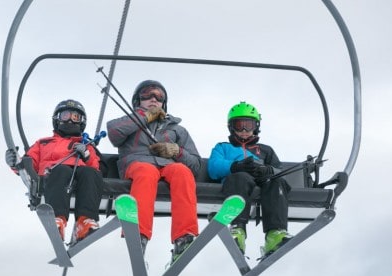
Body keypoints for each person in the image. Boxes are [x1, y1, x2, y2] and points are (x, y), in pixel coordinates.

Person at [107, 80, 200, 262]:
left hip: (168, 166)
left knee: (182, 172)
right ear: (137, 100)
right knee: (146, 172)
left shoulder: (176, 129)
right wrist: (145, 117)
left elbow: (196, 165)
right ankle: (139, 235)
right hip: (138, 163)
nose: (153, 99)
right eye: (147, 95)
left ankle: (184, 236)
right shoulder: (129, 122)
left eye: (159, 97)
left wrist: (176, 151)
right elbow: (114, 133)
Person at [5, 99, 104, 242]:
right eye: (65, 115)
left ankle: (84, 222)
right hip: (54, 177)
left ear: (81, 121)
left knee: (90, 173)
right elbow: (27, 164)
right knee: (61, 170)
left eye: (75, 117)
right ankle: (58, 219)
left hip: (80, 177)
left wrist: (86, 155)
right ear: (57, 119)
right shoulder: (43, 143)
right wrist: (15, 162)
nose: (70, 120)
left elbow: (96, 169)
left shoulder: (86, 145)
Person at [207, 101, 292, 257]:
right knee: (241, 177)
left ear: (256, 126)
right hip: (237, 183)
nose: (245, 130)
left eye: (249, 125)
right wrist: (235, 166)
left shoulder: (265, 150)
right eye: (240, 125)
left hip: (262, 184)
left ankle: (275, 233)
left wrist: (268, 170)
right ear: (232, 127)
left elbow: (280, 171)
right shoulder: (223, 147)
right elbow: (213, 168)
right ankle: (238, 229)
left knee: (276, 181)